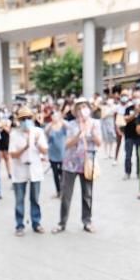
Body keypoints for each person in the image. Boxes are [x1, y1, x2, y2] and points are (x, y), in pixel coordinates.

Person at [53, 99, 101, 233]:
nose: (82, 111)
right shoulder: (71, 125)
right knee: (66, 194)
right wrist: (79, 133)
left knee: (87, 194)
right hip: (70, 163)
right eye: (79, 108)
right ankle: (62, 222)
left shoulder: (95, 123)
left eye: (84, 107)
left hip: (87, 162)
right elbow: (67, 144)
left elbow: (99, 142)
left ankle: (87, 221)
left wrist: (90, 131)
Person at [8, 107, 48, 235]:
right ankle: (19, 225)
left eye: (28, 118)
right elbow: (13, 155)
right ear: (19, 120)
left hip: (35, 170)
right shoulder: (14, 134)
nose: (26, 121)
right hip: (20, 170)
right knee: (19, 200)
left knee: (35, 199)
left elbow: (45, 151)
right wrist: (25, 147)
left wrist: (36, 143)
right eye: (23, 119)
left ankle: (36, 223)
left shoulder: (38, 132)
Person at [45, 111, 67, 198]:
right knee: (55, 174)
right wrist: (50, 125)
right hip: (52, 153)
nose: (54, 118)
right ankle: (58, 191)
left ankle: (63, 191)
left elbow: (69, 127)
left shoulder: (63, 126)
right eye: (53, 117)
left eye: (56, 116)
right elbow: (45, 133)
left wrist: (61, 120)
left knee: (62, 173)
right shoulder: (50, 126)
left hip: (62, 153)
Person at [0, 116, 12, 180]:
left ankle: (9, 173)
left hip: (6, 142)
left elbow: (8, 131)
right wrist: (1, 127)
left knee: (7, 159)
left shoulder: (8, 123)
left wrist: (4, 126)